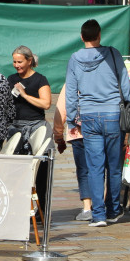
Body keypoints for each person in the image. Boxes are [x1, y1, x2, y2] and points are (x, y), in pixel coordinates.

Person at [64, 18, 130, 227]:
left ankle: (98, 215)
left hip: (88, 116)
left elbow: (70, 92)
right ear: (99, 35)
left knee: (94, 167)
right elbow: (126, 86)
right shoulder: (113, 54)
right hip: (113, 115)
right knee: (114, 166)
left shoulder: (75, 58)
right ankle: (113, 210)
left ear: (81, 37)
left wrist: (71, 119)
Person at [8, 45, 53, 216]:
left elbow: (46, 103)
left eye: (20, 62)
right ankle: (17, 210)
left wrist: (25, 95)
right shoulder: (11, 78)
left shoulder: (40, 80)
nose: (17, 65)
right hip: (16, 127)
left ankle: (41, 212)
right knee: (15, 170)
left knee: (41, 169)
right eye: (14, 62)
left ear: (29, 61)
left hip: (36, 126)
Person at [53, 86, 93, 221]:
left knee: (83, 171)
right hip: (99, 130)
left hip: (77, 132)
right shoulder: (102, 77)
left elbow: (61, 109)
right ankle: (101, 205)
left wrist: (58, 136)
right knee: (101, 169)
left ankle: (87, 207)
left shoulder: (71, 82)